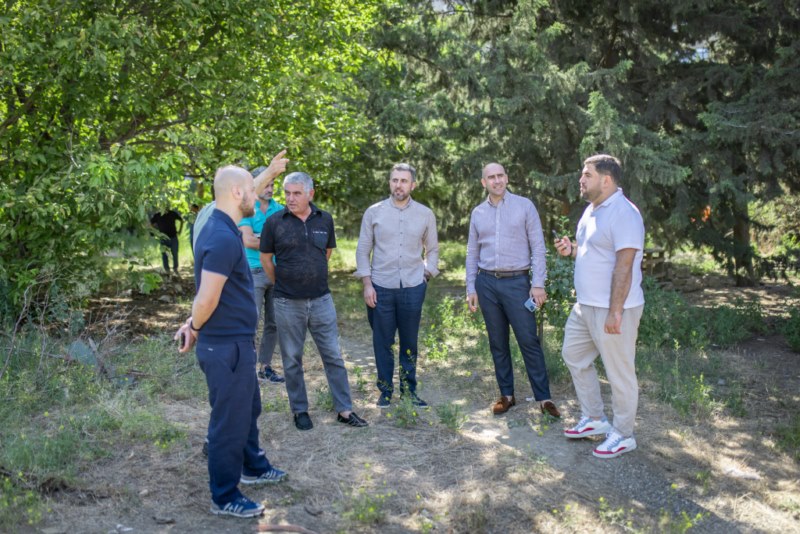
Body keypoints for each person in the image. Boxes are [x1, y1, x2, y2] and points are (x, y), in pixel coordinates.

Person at [175, 165, 287, 519]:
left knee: (248, 408)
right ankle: (224, 496)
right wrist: (194, 325)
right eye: (251, 190)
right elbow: (207, 297)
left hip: (235, 341)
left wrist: (193, 323)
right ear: (238, 193)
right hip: (225, 346)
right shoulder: (222, 237)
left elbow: (208, 293)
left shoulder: (222, 227)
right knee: (229, 422)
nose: (256, 194)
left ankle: (252, 466)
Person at [260, 172, 368, 431]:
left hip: (321, 300)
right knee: (291, 359)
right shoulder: (274, 222)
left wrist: (309, 276)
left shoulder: (325, 219)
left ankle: (344, 410)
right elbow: (266, 259)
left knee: (333, 356)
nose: (290, 198)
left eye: (296, 193)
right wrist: (283, 282)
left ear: (310, 194)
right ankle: (300, 410)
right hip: (287, 302)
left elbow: (325, 254)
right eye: (287, 193)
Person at [555, 154, 645, 459]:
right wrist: (572, 249)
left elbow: (624, 265)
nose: (581, 180)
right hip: (585, 306)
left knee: (620, 373)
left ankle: (623, 434)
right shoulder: (592, 210)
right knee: (573, 355)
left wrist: (615, 311)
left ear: (606, 180)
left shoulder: (624, 213)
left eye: (587, 175)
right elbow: (594, 250)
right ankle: (594, 418)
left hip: (614, 309)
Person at [466, 162, 560, 418]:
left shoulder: (525, 206)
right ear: (484, 182)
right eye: (491, 177)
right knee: (497, 341)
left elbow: (538, 247)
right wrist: (471, 286)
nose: (496, 180)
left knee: (529, 340)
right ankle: (506, 395)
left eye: (500, 176)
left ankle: (544, 398)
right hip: (486, 283)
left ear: (506, 178)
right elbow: (472, 252)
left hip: (518, 283)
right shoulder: (478, 213)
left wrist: (538, 284)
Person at [355, 163, 439, 408]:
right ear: (390, 183)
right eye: (395, 180)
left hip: (413, 286)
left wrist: (426, 275)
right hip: (380, 287)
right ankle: (385, 391)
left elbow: (432, 249)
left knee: (409, 343)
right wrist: (367, 284)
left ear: (413, 185)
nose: (398, 185)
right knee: (383, 342)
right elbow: (362, 250)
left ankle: (409, 392)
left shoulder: (425, 214)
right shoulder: (374, 212)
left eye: (403, 181)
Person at [239, 166, 285, 384]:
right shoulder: (247, 209)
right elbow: (247, 241)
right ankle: (246, 368)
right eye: (266, 184)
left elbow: (288, 239)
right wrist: (275, 241)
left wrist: (262, 237)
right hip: (254, 271)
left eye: (272, 184)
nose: (270, 188)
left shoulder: (281, 209)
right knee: (251, 320)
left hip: (276, 271)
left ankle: (265, 367)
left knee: (274, 322)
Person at [192, 150, 289, 250]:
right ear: (236, 191)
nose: (255, 196)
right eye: (251, 189)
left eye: (272, 185)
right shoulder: (219, 225)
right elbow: (248, 241)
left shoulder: (217, 217)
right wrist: (269, 173)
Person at [150, 209, 183, 274]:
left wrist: (180, 231)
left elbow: (181, 220)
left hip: (173, 237)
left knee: (175, 253)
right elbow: (151, 223)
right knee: (164, 254)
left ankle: (175, 269)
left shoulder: (172, 213)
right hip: (163, 238)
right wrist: (155, 231)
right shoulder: (158, 215)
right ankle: (167, 270)